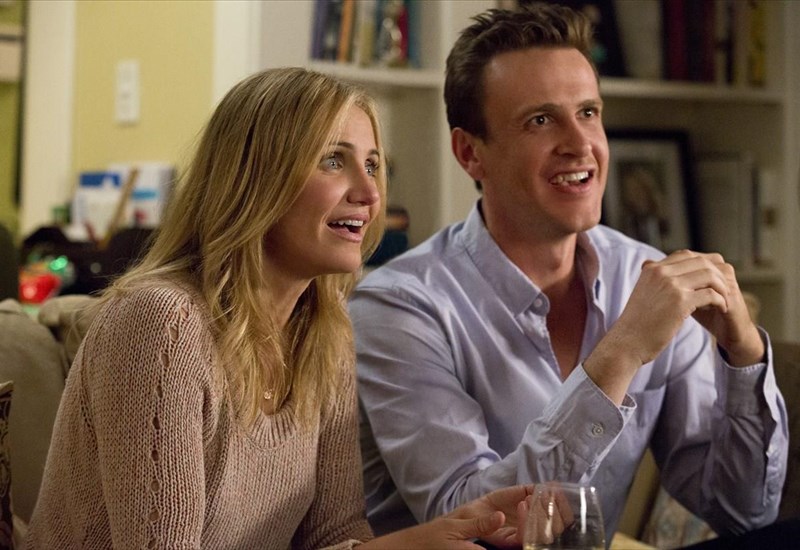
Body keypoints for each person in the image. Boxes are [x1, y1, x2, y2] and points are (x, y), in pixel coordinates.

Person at [25, 67, 533, 549]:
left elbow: (332, 535)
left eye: (373, 165)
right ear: (256, 178)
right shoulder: (162, 324)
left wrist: (437, 535)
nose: (369, 193)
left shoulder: (326, 332)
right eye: (333, 160)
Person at [351, 1, 788, 542]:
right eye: (540, 120)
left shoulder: (645, 275)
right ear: (470, 153)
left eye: (588, 112)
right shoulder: (396, 307)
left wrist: (745, 355)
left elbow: (741, 515)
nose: (581, 144)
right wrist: (623, 351)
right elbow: (473, 523)